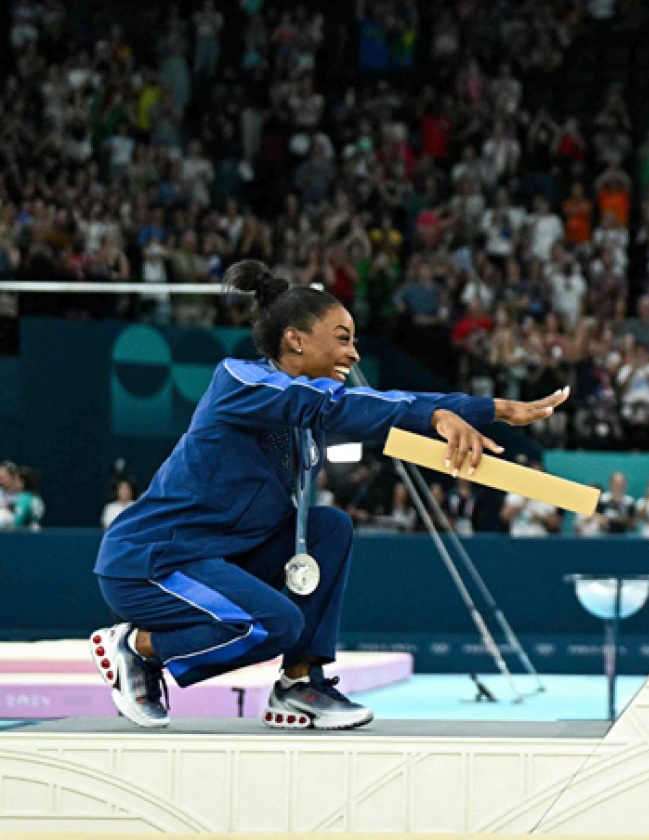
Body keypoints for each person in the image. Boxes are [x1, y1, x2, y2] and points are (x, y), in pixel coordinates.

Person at [91, 260, 567, 731]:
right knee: (274, 622)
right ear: (296, 339)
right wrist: (451, 411)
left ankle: (300, 684)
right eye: (343, 338)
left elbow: (351, 413)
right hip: (152, 562)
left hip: (221, 561)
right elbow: (335, 406)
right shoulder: (238, 380)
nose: (354, 353)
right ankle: (137, 648)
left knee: (329, 526)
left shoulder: (302, 422)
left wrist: (478, 413)